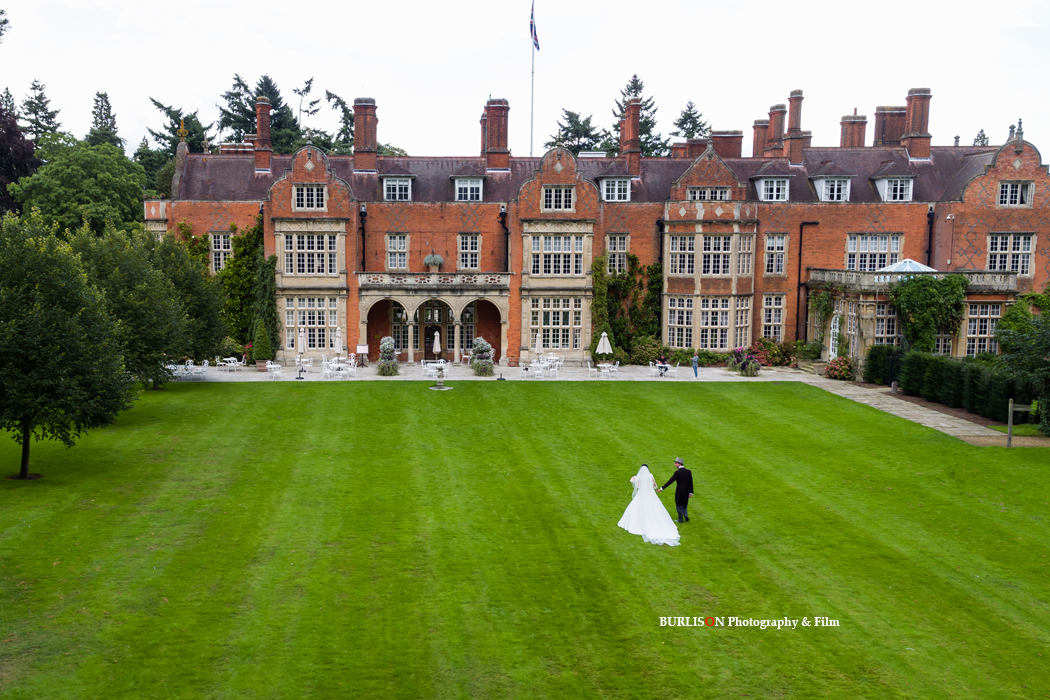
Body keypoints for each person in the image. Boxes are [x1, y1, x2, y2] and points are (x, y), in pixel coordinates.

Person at [617, 464, 680, 546]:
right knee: (653, 506)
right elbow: (654, 484)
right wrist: (656, 488)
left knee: (637, 507)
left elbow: (637, 484)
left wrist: (634, 480)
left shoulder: (639, 476)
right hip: (650, 493)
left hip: (642, 493)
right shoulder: (650, 475)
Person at [658, 457, 694, 523]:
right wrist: (691, 492)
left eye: (676, 463)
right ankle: (685, 515)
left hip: (679, 491)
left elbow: (670, 481)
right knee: (684, 504)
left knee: (678, 504)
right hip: (686, 491)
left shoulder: (677, 472)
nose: (675, 464)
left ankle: (680, 519)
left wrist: (662, 488)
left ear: (679, 464)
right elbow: (690, 482)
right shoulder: (688, 472)